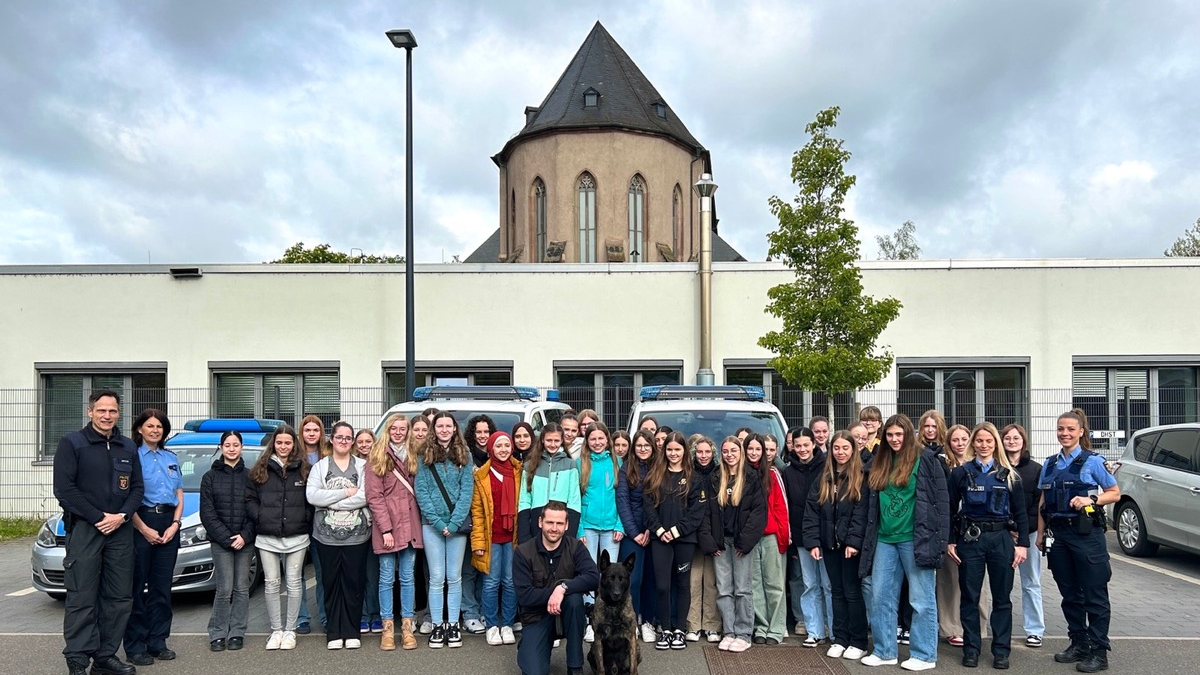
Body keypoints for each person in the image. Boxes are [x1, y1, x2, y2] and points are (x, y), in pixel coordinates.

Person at [52, 390, 143, 675]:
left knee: (118, 597)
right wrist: (98, 517)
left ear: (119, 413)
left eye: (113, 411)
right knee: (82, 596)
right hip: (85, 529)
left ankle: (105, 657)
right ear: (90, 412)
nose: (107, 416)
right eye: (101, 410)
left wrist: (122, 516)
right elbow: (65, 490)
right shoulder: (72, 444)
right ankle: (78, 659)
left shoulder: (127, 446)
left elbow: (138, 488)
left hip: (120, 531)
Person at [859, 413, 949, 671]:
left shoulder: (926, 461)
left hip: (916, 539)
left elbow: (941, 503)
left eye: (899, 434)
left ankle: (923, 655)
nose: (895, 439)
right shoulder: (880, 461)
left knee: (921, 600)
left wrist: (940, 541)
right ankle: (885, 650)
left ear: (908, 434)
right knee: (881, 597)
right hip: (885, 540)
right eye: (890, 434)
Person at [1038, 410, 1119, 674]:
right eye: (1061, 429)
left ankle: (1099, 651)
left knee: (1094, 594)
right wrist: (1040, 535)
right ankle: (1079, 643)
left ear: (1081, 431)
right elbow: (1042, 503)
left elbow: (1114, 493)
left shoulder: (1093, 461)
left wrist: (1091, 500)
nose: (1065, 433)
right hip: (1058, 536)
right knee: (1069, 594)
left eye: (1071, 429)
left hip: (1086, 536)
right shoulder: (1049, 464)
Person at [946, 423, 1029, 670]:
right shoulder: (961, 473)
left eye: (989, 441)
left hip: (1001, 539)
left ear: (996, 443)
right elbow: (950, 509)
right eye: (980, 441)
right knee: (970, 596)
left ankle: (1001, 651)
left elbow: (1021, 513)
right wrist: (951, 540)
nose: (984, 445)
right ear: (974, 443)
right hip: (970, 539)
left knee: (1002, 598)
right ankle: (971, 649)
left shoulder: (1009, 474)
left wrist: (1022, 544)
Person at [803, 430, 869, 661]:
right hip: (828, 545)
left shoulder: (861, 476)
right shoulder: (824, 477)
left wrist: (853, 541)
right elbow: (811, 511)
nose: (841, 452)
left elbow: (861, 514)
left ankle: (858, 641)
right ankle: (840, 638)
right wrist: (812, 542)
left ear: (853, 450)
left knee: (852, 593)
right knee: (836, 592)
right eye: (837, 448)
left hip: (850, 547)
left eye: (845, 448)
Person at [513, 500, 601, 675]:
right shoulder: (523, 552)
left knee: (575, 600)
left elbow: (594, 578)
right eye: (550, 522)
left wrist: (562, 588)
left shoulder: (576, 547)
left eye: (559, 523)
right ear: (540, 522)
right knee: (534, 672)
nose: (554, 528)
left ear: (567, 525)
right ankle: (529, 644)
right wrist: (552, 594)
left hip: (567, 616)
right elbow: (525, 596)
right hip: (536, 618)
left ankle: (575, 667)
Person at [124, 408, 182, 666]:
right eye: (150, 426)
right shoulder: (132, 457)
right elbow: (128, 499)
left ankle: (158, 641)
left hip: (168, 522)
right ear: (139, 429)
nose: (155, 430)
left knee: (161, 588)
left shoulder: (171, 457)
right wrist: (143, 528)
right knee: (137, 588)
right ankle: (136, 646)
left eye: (159, 426)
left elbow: (179, 493)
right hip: (140, 523)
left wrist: (175, 523)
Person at [247, 424, 312, 651]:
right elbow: (250, 499)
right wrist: (261, 517)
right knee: (272, 583)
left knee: (294, 583)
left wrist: (304, 518)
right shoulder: (261, 469)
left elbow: (311, 500)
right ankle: (276, 630)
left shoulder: (304, 468)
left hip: (297, 535)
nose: (283, 446)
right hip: (267, 535)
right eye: (279, 442)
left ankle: (290, 630)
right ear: (273, 444)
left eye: (288, 442)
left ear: (294, 444)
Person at [307, 421, 372, 650]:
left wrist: (332, 502)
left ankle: (352, 631)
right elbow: (313, 496)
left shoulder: (364, 466)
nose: (344, 441)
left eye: (348, 438)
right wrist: (345, 492)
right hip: (326, 536)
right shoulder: (320, 467)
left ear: (352, 441)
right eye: (340, 437)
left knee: (354, 583)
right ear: (332, 440)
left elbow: (365, 496)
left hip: (358, 536)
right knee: (331, 583)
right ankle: (334, 632)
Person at [413, 411, 475, 649]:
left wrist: (454, 522)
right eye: (440, 426)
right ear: (434, 428)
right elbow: (422, 492)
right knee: (437, 577)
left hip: (456, 525)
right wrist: (439, 523)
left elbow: (466, 491)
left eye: (449, 426)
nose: (445, 430)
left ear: (454, 429)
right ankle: (437, 624)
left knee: (455, 577)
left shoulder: (464, 454)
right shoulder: (424, 454)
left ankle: (452, 624)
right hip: (432, 525)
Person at [366, 412, 424, 650]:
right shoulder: (377, 456)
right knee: (387, 578)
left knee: (408, 578)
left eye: (403, 428)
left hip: (410, 524)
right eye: (394, 428)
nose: (398, 432)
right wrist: (386, 529)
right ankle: (388, 629)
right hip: (387, 528)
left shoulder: (415, 456)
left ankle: (407, 628)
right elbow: (374, 497)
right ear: (387, 431)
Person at [702, 436, 764, 653]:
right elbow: (707, 513)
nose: (729, 455)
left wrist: (745, 542)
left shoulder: (751, 478)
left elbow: (758, 514)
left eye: (734, 451)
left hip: (740, 544)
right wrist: (710, 542)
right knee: (724, 589)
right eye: (726, 451)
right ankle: (729, 632)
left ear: (741, 453)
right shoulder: (715, 477)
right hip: (721, 543)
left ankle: (744, 633)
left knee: (743, 589)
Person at [643, 431, 703, 650]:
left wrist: (677, 531)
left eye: (678, 449)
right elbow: (648, 508)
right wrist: (659, 530)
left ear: (684, 451)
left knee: (682, 584)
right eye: (670, 449)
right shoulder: (655, 475)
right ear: (664, 450)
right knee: (662, 585)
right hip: (660, 540)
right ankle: (665, 629)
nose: (673, 453)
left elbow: (697, 511)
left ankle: (680, 629)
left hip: (684, 540)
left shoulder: (694, 478)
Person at [200, 430, 256, 653]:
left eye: (236, 445)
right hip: (220, 542)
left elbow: (255, 511)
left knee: (242, 588)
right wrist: (226, 538)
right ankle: (217, 632)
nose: (232, 449)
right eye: (228, 445)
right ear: (221, 447)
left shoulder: (251, 477)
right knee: (224, 588)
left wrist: (244, 536)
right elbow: (207, 512)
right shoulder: (209, 477)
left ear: (241, 448)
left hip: (245, 541)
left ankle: (237, 632)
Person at [471, 431, 523, 646]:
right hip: (491, 537)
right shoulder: (481, 476)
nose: (503, 450)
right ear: (491, 448)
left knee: (510, 582)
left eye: (506, 445)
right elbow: (477, 512)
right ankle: (492, 625)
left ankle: (508, 624)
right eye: (498, 446)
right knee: (491, 582)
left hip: (514, 537)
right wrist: (478, 543)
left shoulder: (520, 471)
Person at [782, 427, 830, 646]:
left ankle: (834, 629)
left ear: (814, 444)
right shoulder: (788, 472)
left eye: (805, 445)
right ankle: (814, 630)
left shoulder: (827, 467)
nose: (802, 449)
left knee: (829, 586)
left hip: (827, 537)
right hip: (802, 539)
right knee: (810, 585)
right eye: (797, 445)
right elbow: (788, 507)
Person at [578, 421, 623, 642]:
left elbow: (623, 499)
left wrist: (620, 525)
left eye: (601, 438)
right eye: (592, 439)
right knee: (589, 572)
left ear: (608, 439)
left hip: (612, 527)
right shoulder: (581, 463)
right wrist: (578, 530)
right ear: (587, 441)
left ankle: (612, 617)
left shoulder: (618, 463)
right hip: (587, 525)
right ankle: (589, 619)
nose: (597, 442)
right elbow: (575, 498)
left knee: (610, 574)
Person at [1001, 423, 1045, 648]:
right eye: (1007, 438)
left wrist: (1027, 531)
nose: (1011, 441)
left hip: (1028, 533)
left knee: (1031, 582)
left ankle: (1035, 630)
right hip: (1003, 534)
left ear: (1023, 441)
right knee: (1001, 585)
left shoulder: (1036, 470)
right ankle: (1000, 629)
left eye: (1016, 438)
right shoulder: (997, 467)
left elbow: (1038, 505)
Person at [746, 433, 791, 646]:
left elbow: (781, 508)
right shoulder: (742, 473)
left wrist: (783, 538)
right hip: (750, 539)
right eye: (750, 449)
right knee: (754, 585)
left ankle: (776, 629)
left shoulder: (773, 474)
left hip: (771, 536)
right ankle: (760, 627)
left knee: (774, 585)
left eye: (758, 449)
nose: (754, 453)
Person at [616, 429, 661, 644]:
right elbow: (622, 500)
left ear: (653, 447)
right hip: (631, 532)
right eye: (639, 445)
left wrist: (651, 530)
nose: (643, 449)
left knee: (651, 580)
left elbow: (660, 501)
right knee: (632, 580)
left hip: (655, 532)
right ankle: (631, 622)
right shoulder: (626, 468)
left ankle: (648, 622)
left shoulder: (660, 468)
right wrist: (634, 532)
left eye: (647, 445)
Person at [517, 423, 582, 544]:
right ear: (542, 440)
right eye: (549, 440)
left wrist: (570, 534)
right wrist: (524, 535)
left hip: (560, 524)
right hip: (536, 523)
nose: (552, 444)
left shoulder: (570, 465)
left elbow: (574, 500)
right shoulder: (530, 465)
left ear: (562, 440)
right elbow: (524, 500)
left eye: (556, 440)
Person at [462, 414, 497, 635]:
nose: (483, 436)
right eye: (479, 432)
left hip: (489, 523)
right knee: (468, 570)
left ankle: (485, 610)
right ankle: (470, 613)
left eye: (486, 432)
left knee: (486, 569)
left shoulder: (498, 456)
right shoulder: (465, 458)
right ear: (472, 434)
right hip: (468, 521)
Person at [297, 414, 332, 635]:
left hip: (322, 520)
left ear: (321, 433)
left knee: (322, 572)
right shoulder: (294, 456)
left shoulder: (328, 456)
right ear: (301, 433)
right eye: (307, 430)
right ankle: (301, 618)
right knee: (296, 574)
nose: (311, 434)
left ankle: (326, 616)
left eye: (315, 430)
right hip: (298, 520)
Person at [686, 436, 722, 644]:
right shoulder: (689, 474)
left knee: (712, 583)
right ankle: (693, 625)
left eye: (707, 452)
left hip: (715, 539)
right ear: (693, 453)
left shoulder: (719, 473)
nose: (703, 456)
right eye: (699, 452)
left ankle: (711, 625)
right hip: (693, 537)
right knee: (693, 582)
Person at [354, 428, 383, 634]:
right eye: (360, 442)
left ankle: (375, 614)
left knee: (374, 575)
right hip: (354, 526)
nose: (364, 445)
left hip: (376, 526)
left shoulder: (381, 463)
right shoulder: (352, 465)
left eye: (368, 441)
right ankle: (362, 615)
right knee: (358, 574)